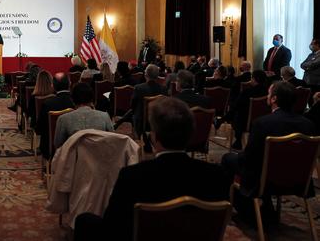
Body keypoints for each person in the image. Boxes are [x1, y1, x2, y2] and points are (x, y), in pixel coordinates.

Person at [75, 97, 231, 241]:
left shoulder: (132, 176)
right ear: (190, 136)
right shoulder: (217, 175)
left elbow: (113, 227)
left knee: (84, 221)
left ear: (154, 137)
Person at [222, 81, 315, 222]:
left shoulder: (262, 123)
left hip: (266, 179)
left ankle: (247, 211)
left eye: (269, 93)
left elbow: (249, 158)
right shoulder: (308, 124)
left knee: (228, 159)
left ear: (273, 99)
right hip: (298, 179)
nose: (267, 96)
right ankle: (266, 207)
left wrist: (238, 156)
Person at [54, 83, 113, 149]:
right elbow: (112, 140)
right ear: (92, 99)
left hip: (74, 158)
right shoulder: (104, 116)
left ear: (72, 100)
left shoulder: (63, 119)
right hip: (99, 157)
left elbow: (58, 145)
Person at [221, 70, 269, 149]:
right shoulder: (268, 92)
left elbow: (236, 105)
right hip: (264, 121)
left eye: (252, 78)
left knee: (237, 111)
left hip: (247, 123)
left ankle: (238, 141)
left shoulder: (247, 92)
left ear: (254, 79)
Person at [129, 64, 167, 152]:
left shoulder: (139, 88)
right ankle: (149, 138)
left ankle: (145, 139)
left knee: (134, 114)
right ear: (157, 76)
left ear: (145, 74)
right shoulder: (163, 89)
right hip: (159, 120)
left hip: (143, 122)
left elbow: (132, 105)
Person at [37, 72, 75, 159]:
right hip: (75, 146)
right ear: (69, 84)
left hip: (51, 147)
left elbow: (39, 129)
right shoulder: (76, 103)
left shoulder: (48, 104)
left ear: (53, 86)